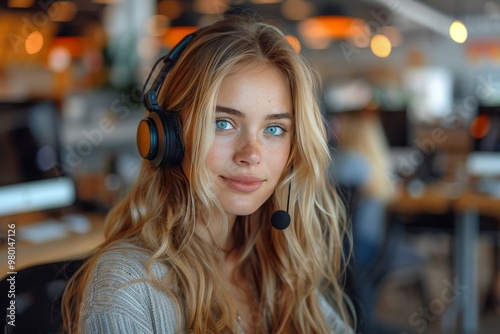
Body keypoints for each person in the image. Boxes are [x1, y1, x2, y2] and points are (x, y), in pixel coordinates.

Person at [63, 14, 353, 334]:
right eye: (223, 123)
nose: (251, 155)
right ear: (168, 136)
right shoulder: (126, 287)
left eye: (274, 129)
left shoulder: (275, 264)